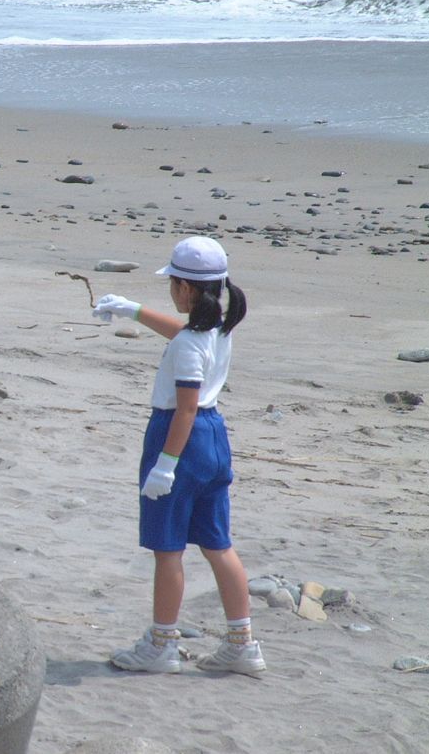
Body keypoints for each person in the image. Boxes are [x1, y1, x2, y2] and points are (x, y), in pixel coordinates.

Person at [93, 235, 266, 676]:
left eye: (173, 283)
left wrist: (165, 466)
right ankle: (242, 644)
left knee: (168, 549)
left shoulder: (191, 345)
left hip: (180, 437)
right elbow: (182, 333)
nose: (170, 290)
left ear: (185, 289)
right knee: (217, 543)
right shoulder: (219, 328)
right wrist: (131, 310)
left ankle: (162, 643)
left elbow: (185, 407)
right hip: (214, 440)